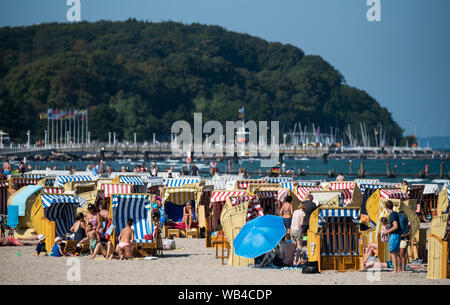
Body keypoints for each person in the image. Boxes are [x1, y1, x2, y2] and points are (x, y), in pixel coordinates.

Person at [384, 200, 401, 273]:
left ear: (386, 207)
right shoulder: (395, 213)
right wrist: (389, 226)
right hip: (398, 235)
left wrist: (387, 231)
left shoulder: (391, 215)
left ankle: (395, 270)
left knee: (392, 252)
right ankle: (399, 269)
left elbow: (395, 226)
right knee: (397, 253)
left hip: (394, 235)